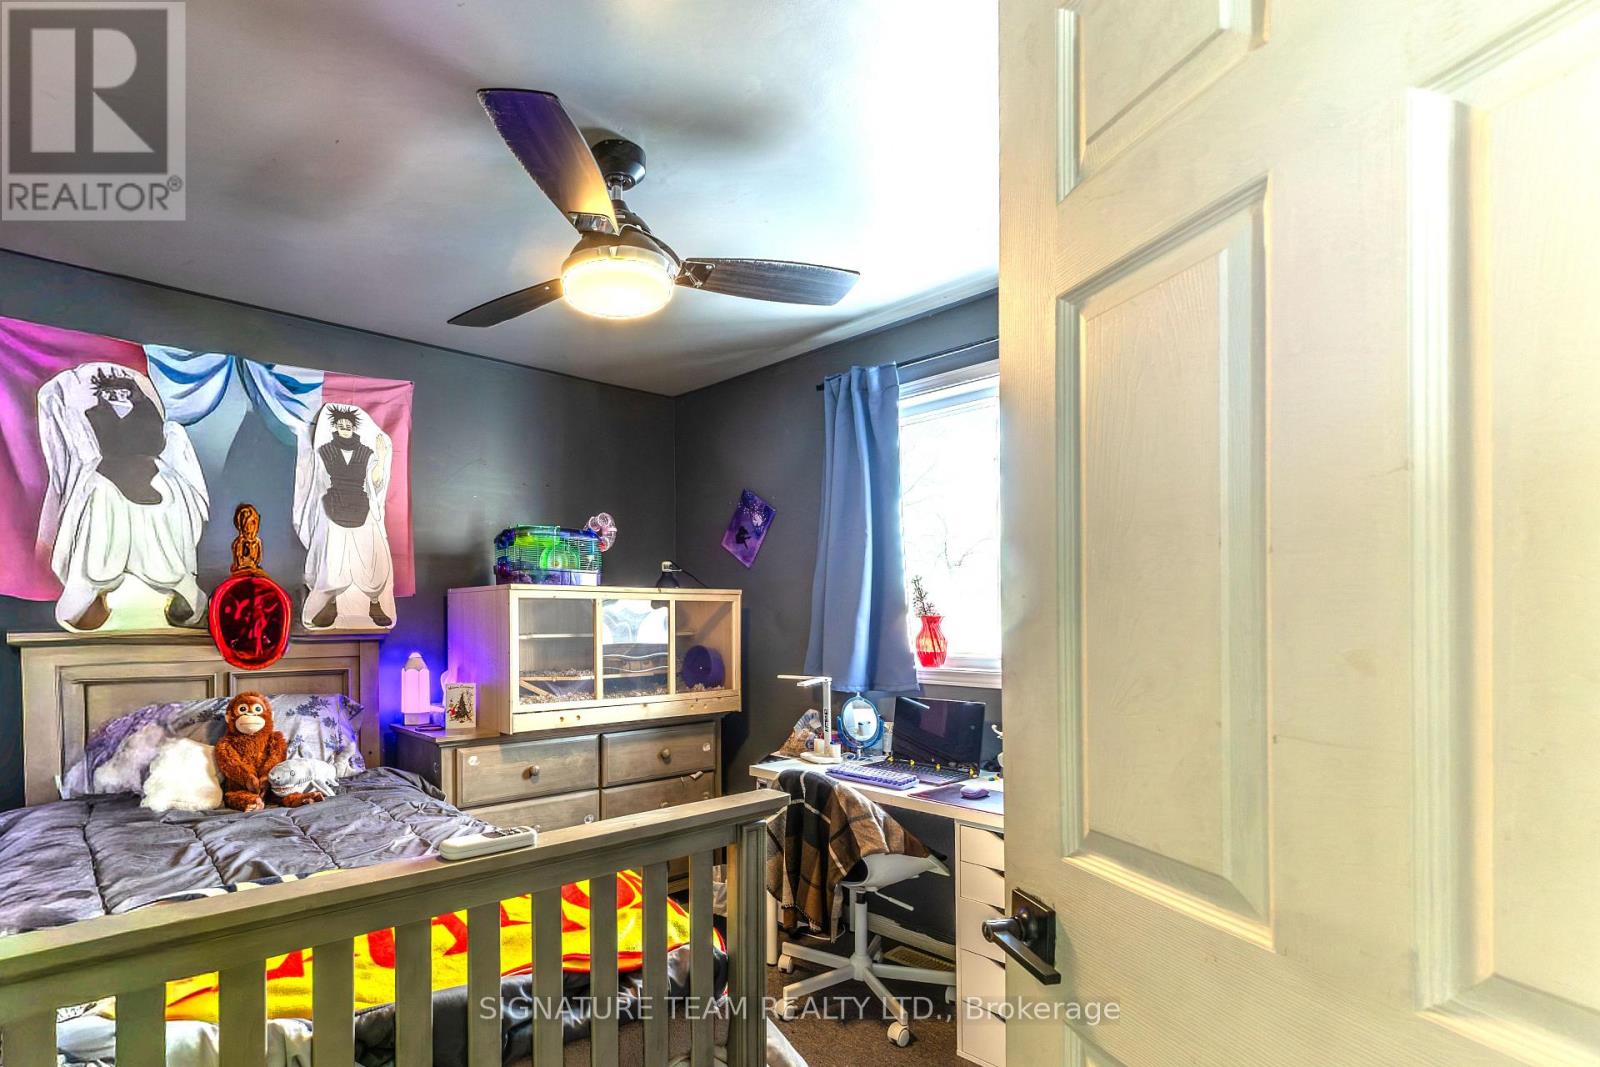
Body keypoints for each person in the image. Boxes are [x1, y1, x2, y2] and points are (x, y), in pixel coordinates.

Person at [36, 364, 209, 630]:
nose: (118, 398)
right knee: (102, 508)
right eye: (111, 394)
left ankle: (171, 583)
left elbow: (157, 445)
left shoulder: (151, 420)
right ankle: (96, 587)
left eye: (123, 392)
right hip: (107, 479)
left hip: (153, 479)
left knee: (167, 508)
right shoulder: (93, 416)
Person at [293, 402, 394, 628]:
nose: (345, 429)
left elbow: (375, 481)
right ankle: (332, 603)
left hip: (361, 507)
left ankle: (374, 603)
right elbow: (315, 482)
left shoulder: (365, 452)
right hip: (334, 507)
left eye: (349, 425)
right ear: (336, 428)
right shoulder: (325, 451)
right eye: (341, 425)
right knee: (333, 560)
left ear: (354, 428)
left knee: (372, 560)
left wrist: (381, 457)